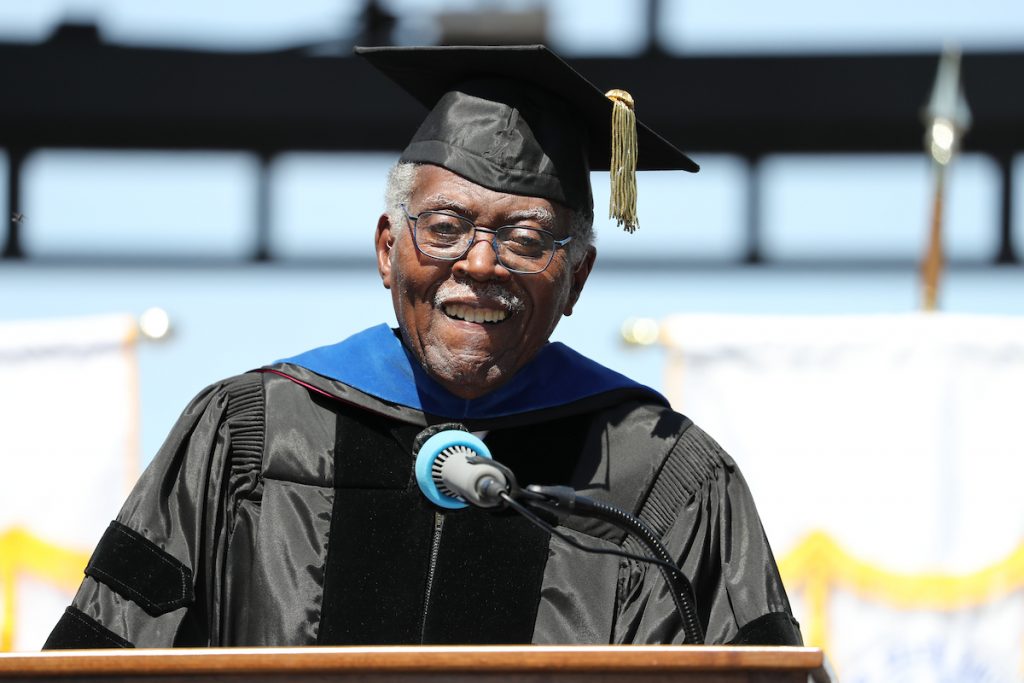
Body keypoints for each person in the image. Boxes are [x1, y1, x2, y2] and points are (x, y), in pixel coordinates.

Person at [44, 45, 800, 649]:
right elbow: (103, 660)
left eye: (526, 238)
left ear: (576, 278)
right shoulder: (248, 434)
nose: (481, 263)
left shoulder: (664, 476)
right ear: (387, 250)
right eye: (445, 227)